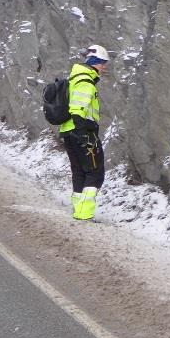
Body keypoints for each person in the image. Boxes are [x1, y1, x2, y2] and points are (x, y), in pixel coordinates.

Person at [61, 44, 109, 220]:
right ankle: (84, 213)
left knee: (79, 171)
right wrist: (84, 135)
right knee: (95, 173)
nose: (104, 67)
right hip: (81, 132)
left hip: (68, 132)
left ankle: (78, 209)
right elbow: (77, 109)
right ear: (94, 62)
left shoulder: (74, 79)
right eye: (103, 63)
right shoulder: (85, 82)